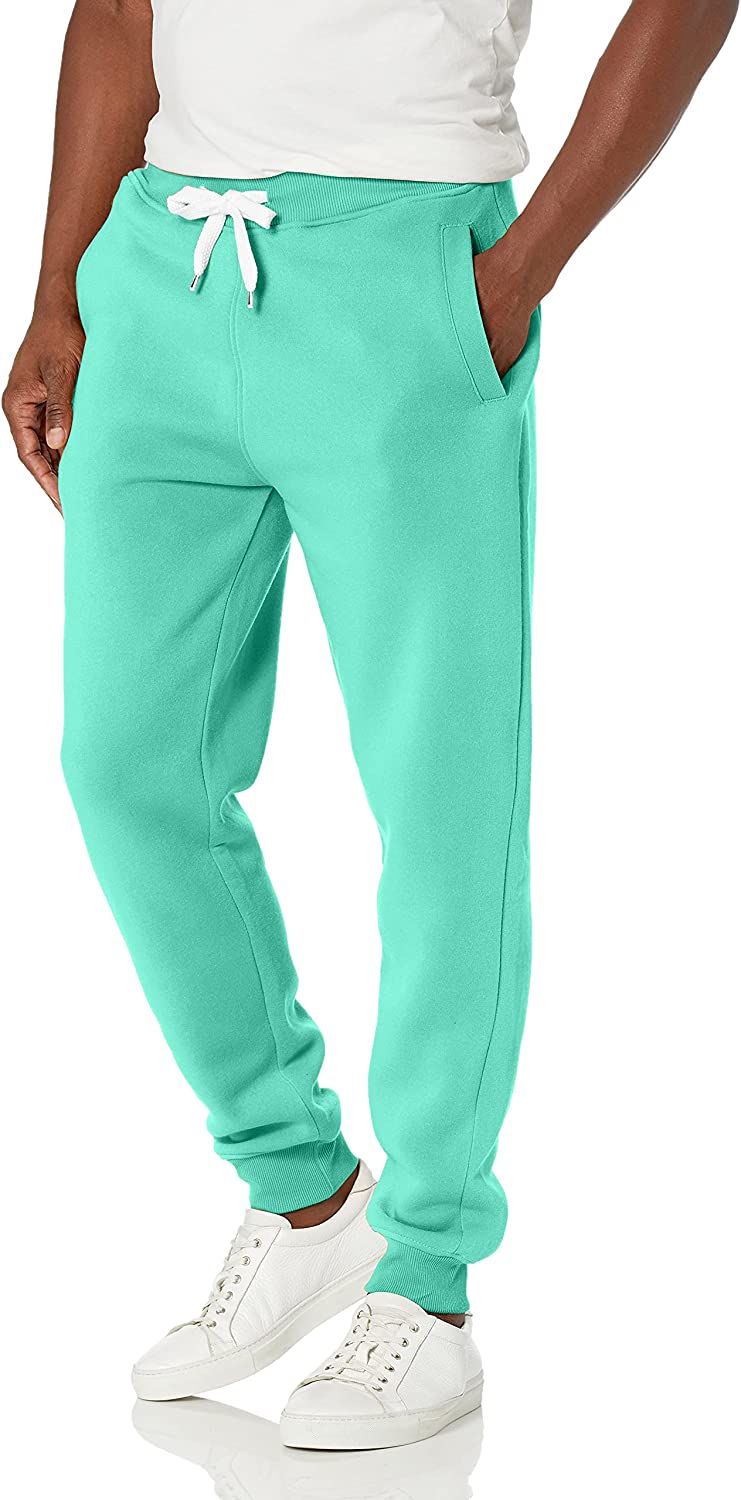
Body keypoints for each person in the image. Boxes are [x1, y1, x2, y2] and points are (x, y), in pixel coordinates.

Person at [3, 0, 735, 1454]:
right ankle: (302, 1194)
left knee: (443, 799)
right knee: (128, 764)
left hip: (406, 275)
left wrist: (513, 278)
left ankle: (427, 1271)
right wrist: (58, 296)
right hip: (161, 265)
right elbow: (122, 9)